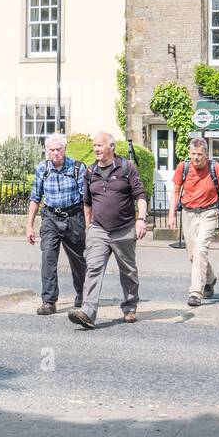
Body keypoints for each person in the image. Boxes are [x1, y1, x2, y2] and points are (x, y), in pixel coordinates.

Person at [69, 132, 147, 330]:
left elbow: (140, 196)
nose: (96, 149)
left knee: (128, 271)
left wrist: (141, 219)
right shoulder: (90, 171)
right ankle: (88, 312)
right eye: (94, 145)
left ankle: (130, 306)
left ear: (111, 147)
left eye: (100, 145)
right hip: (99, 229)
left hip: (124, 229)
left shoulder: (126, 168)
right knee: (93, 268)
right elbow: (87, 202)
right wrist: (88, 226)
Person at [25, 133, 87, 316]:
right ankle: (49, 301)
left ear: (64, 150)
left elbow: (86, 200)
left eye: (58, 149)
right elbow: (35, 198)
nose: (55, 153)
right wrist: (29, 225)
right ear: (46, 151)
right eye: (51, 150)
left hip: (73, 217)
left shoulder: (77, 168)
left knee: (78, 260)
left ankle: (83, 294)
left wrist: (89, 225)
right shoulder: (42, 169)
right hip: (51, 217)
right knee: (48, 258)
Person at [167, 136, 219, 307]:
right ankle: (210, 279)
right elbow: (175, 192)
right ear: (189, 153)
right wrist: (172, 215)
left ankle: (196, 292)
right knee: (193, 255)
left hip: (209, 212)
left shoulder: (215, 168)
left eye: (200, 154)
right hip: (188, 213)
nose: (196, 158)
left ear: (206, 155)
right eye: (193, 154)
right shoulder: (183, 167)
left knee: (201, 249)